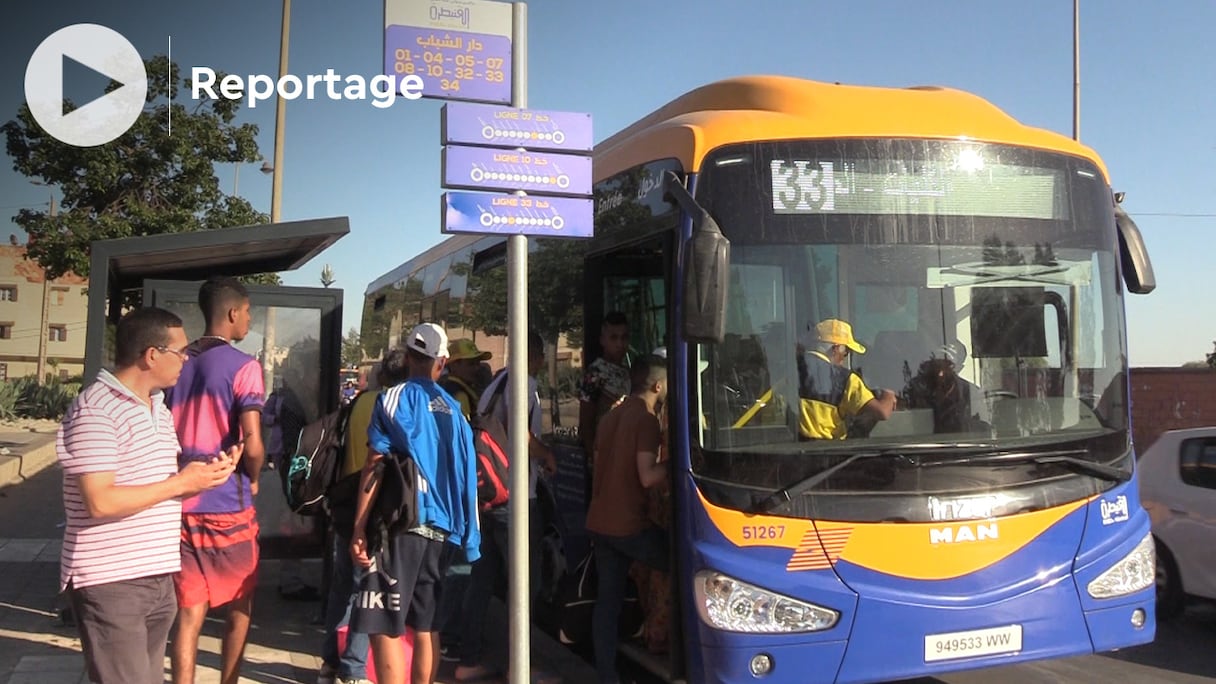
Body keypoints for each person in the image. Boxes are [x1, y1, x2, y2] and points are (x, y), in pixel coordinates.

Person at [56, 307, 240, 684]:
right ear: (151, 355)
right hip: (112, 581)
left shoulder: (157, 407)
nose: (186, 360)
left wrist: (207, 476)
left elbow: (157, 485)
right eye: (181, 352)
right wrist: (180, 484)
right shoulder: (96, 410)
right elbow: (99, 501)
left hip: (157, 575)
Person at [349, 323, 482, 684]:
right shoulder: (456, 412)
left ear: (408, 358)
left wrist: (359, 526)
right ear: (442, 363)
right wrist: (469, 538)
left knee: (385, 623)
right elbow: (468, 476)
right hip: (444, 531)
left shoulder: (393, 399)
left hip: (403, 526)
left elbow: (375, 465)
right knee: (425, 626)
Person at [164, 276, 267, 684]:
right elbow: (253, 442)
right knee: (241, 602)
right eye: (247, 312)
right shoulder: (245, 367)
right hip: (228, 503)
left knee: (189, 612)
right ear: (232, 313)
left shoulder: (177, 361)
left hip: (180, 503)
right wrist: (254, 477)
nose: (249, 319)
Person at [454, 331, 557, 682]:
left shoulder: (493, 384)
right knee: (525, 585)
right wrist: (547, 455)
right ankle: (520, 667)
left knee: (481, 580)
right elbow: (521, 436)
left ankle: (468, 660)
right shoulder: (524, 383)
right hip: (515, 499)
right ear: (536, 355)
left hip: (487, 497)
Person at [317, 351, 410, 684]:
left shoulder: (358, 403)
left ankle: (329, 661)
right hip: (370, 510)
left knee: (341, 588)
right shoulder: (395, 408)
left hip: (343, 504)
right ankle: (354, 669)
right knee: (366, 591)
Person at [585, 354, 670, 684]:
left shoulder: (612, 415)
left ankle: (607, 674)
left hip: (600, 522)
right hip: (629, 527)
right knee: (685, 564)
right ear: (657, 385)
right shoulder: (646, 420)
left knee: (607, 602)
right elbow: (648, 477)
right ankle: (675, 645)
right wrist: (680, 462)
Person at [796, 318, 897, 440]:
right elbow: (882, 412)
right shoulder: (846, 379)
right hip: (831, 453)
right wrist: (888, 396)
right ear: (836, 349)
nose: (844, 359)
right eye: (846, 352)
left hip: (794, 452)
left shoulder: (791, 371)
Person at [578, 311, 632, 462]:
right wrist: (596, 460)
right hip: (606, 458)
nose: (619, 344)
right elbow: (586, 424)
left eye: (624, 337)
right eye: (614, 338)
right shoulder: (595, 374)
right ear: (603, 340)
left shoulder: (628, 372)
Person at [906, 340, 986, 433]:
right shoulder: (916, 386)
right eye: (938, 362)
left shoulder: (971, 392)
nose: (941, 372)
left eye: (947, 365)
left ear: (959, 367)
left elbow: (978, 425)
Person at [441, 338, 492, 420]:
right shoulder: (459, 395)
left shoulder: (443, 387)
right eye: (471, 364)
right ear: (454, 365)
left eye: (478, 363)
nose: (477, 368)